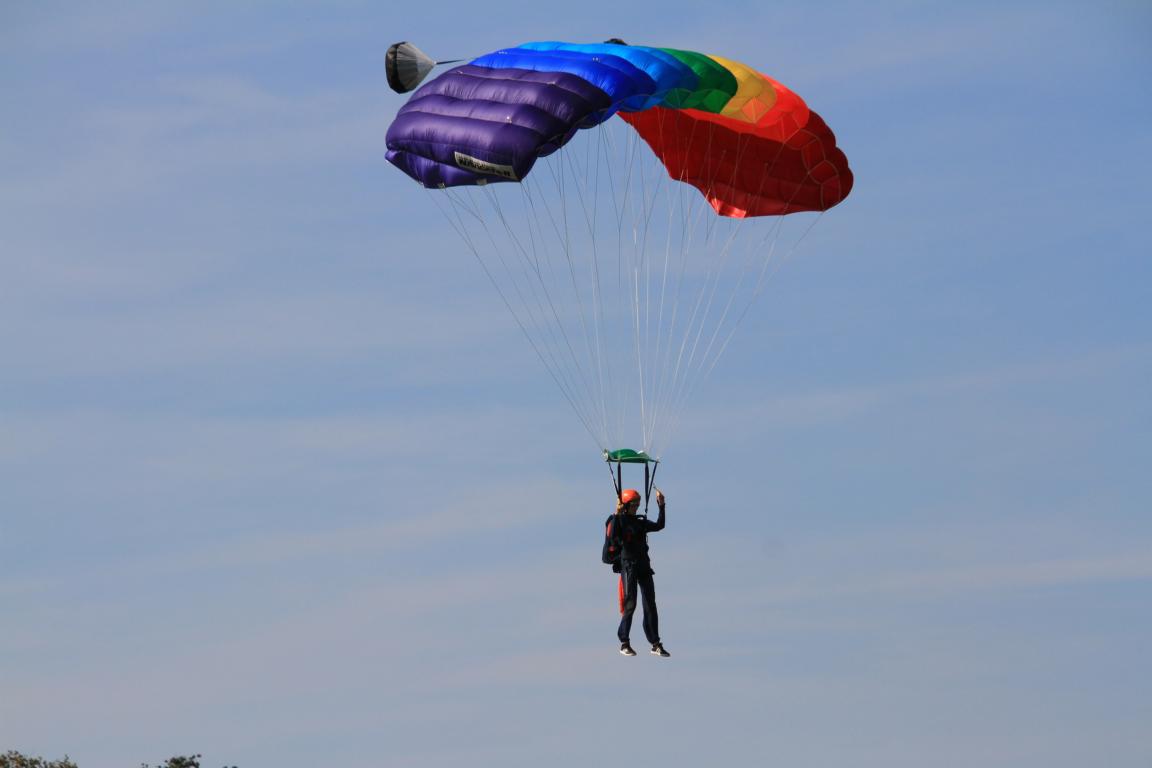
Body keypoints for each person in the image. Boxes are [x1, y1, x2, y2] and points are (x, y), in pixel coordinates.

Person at [610, 487, 670, 657]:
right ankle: (624, 642)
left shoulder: (640, 522)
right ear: (626, 505)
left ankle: (655, 643)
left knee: (650, 604)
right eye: (633, 504)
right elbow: (613, 537)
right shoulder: (619, 521)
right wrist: (617, 513)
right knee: (630, 604)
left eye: (638, 504)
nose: (636, 507)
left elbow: (659, 525)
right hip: (628, 566)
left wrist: (661, 505)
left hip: (643, 565)